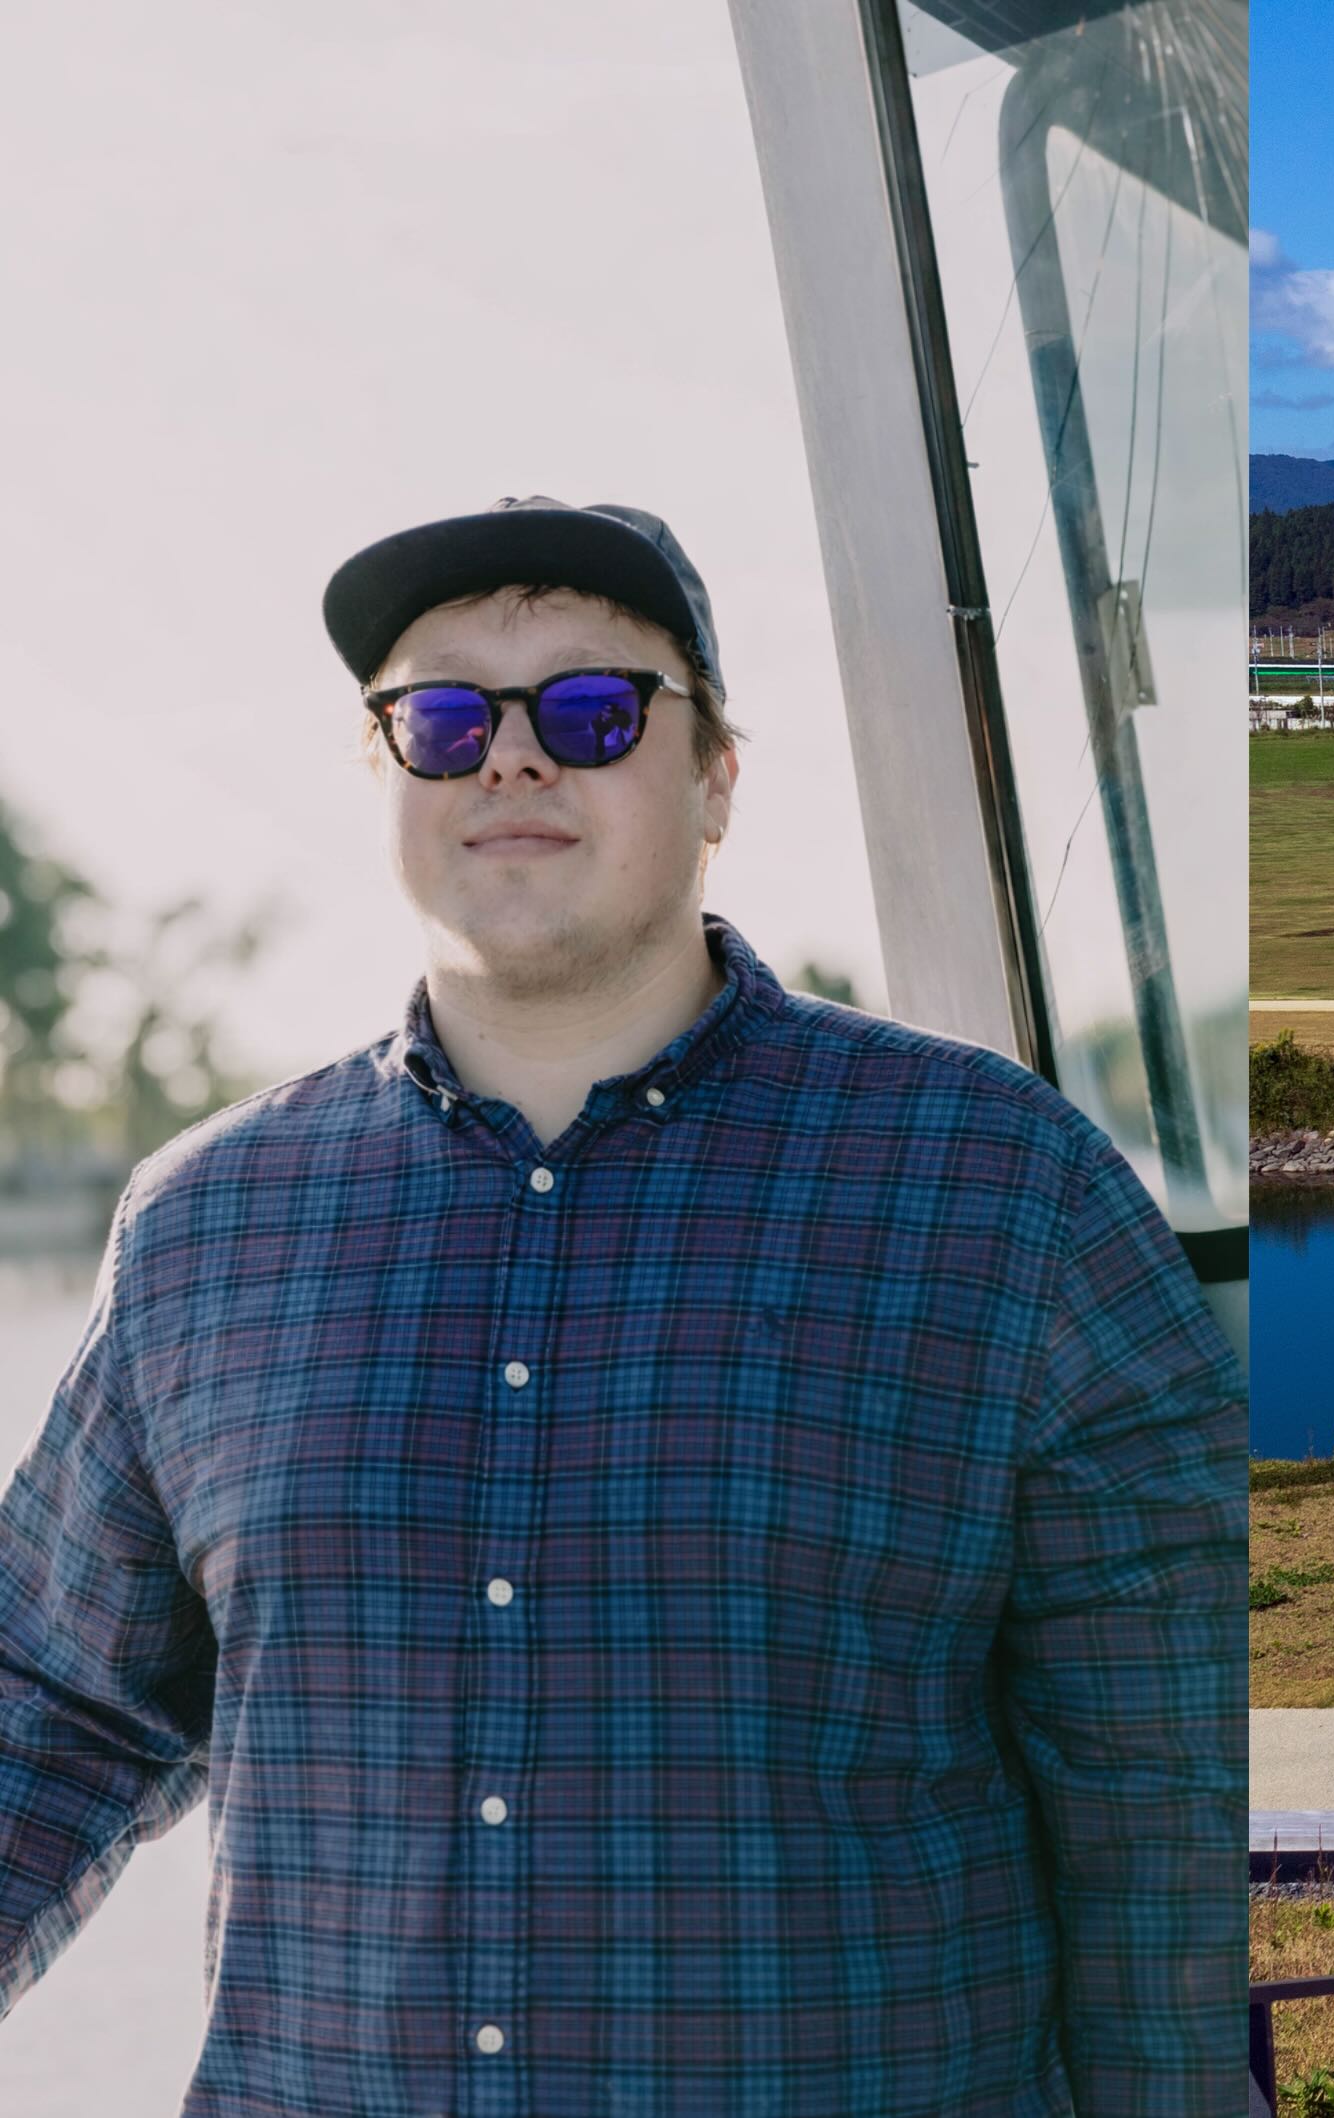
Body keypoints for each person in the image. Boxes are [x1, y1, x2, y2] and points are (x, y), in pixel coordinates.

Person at [0, 498, 1247, 2113]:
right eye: (443, 718)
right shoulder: (204, 1228)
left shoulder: (1006, 1193)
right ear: (382, 776)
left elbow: (1166, 1798)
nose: (509, 761)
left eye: (592, 711)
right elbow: (51, 1702)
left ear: (717, 775)